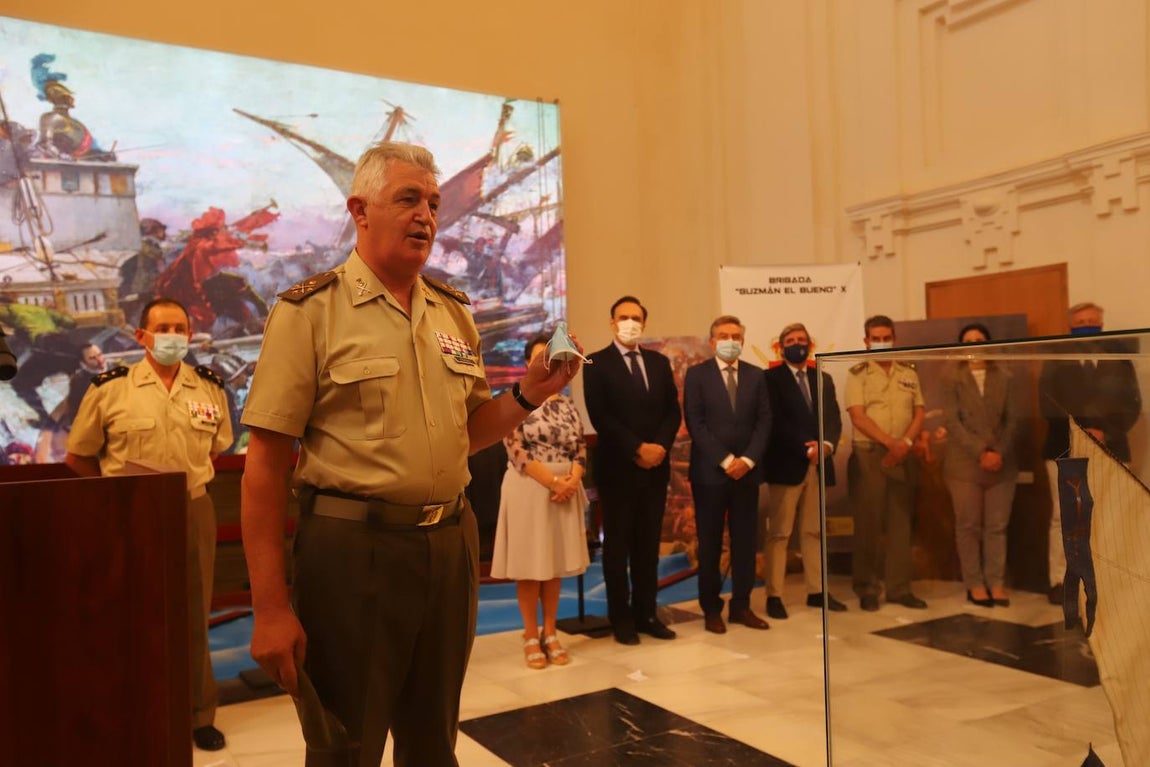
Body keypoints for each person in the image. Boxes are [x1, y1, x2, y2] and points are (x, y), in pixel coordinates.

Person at [239, 141, 580, 767]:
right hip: (351, 554)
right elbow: (264, 466)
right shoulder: (309, 312)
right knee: (348, 749)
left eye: (433, 202)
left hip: (448, 548)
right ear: (360, 210)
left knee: (433, 744)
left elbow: (469, 433)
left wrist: (531, 394)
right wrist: (269, 607)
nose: (426, 214)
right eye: (408, 199)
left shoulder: (453, 314)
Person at [63, 297, 233, 752]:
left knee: (196, 614)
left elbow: (215, 450)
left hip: (193, 507)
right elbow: (78, 457)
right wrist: (117, 497)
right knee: (133, 613)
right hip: (129, 516)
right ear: (141, 336)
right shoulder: (110, 388)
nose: (173, 336)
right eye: (164, 328)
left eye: (181, 328)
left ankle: (200, 716)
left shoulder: (208, 387)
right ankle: (136, 707)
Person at [583, 295, 682, 645]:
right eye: (623, 317)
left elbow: (673, 411)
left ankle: (647, 614)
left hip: (655, 469)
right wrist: (637, 448)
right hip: (618, 470)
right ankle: (620, 618)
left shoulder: (657, 362)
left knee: (647, 546)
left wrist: (659, 447)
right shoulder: (595, 362)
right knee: (618, 549)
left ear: (644, 323)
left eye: (635, 317)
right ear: (612, 323)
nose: (629, 322)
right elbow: (601, 415)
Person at [490, 334, 590, 668]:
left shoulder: (566, 403)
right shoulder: (515, 399)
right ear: (527, 363)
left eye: (553, 359)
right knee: (531, 567)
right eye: (540, 358)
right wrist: (553, 483)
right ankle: (530, 635)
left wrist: (573, 480)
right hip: (529, 487)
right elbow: (515, 450)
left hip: (565, 489)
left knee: (553, 565)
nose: (548, 366)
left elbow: (579, 446)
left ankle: (551, 632)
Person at [1039, 302, 1141, 605]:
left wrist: (1105, 432)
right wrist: (1083, 434)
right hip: (1065, 448)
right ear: (1071, 326)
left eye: (1093, 321)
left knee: (1110, 516)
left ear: (1102, 323)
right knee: (1065, 517)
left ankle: (1105, 580)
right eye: (1081, 321)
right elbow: (1047, 405)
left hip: (1112, 447)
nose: (1087, 325)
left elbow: (1132, 403)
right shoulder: (1055, 359)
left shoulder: (1118, 359)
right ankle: (1060, 580)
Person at [683, 315, 771, 633]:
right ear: (712, 341)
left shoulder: (756, 376)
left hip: (746, 474)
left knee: (745, 542)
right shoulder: (696, 375)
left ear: (743, 342)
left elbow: (764, 422)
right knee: (709, 544)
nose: (730, 340)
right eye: (723, 335)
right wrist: (725, 459)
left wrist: (746, 460)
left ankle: (742, 606)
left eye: (735, 336)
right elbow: (696, 422)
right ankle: (711, 609)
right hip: (710, 474)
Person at [762, 322, 847, 619]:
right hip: (787, 465)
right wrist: (804, 447)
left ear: (810, 345)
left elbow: (833, 417)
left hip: (819, 463)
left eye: (802, 339)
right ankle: (774, 595)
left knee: (814, 531)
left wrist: (825, 445)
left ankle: (817, 591)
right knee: (780, 533)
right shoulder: (769, 379)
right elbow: (773, 421)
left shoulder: (822, 378)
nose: (797, 343)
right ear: (781, 346)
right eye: (790, 340)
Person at [844, 315, 926, 612]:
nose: (882, 342)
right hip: (870, 454)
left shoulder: (909, 372)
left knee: (900, 523)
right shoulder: (858, 373)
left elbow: (919, 412)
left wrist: (904, 444)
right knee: (868, 524)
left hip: (903, 453)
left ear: (894, 337)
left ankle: (900, 589)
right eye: (876, 338)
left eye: (886, 337)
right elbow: (858, 416)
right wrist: (890, 443)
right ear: (866, 341)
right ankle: (866, 587)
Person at [940, 323, 1019, 608]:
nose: (974, 344)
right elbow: (952, 421)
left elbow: (1013, 420)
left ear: (988, 342)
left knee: (997, 526)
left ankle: (996, 582)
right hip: (964, 464)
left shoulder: (1006, 376)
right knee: (968, 526)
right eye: (968, 340)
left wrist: (997, 451)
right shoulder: (950, 378)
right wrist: (980, 452)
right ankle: (974, 584)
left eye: (979, 339)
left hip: (1002, 464)